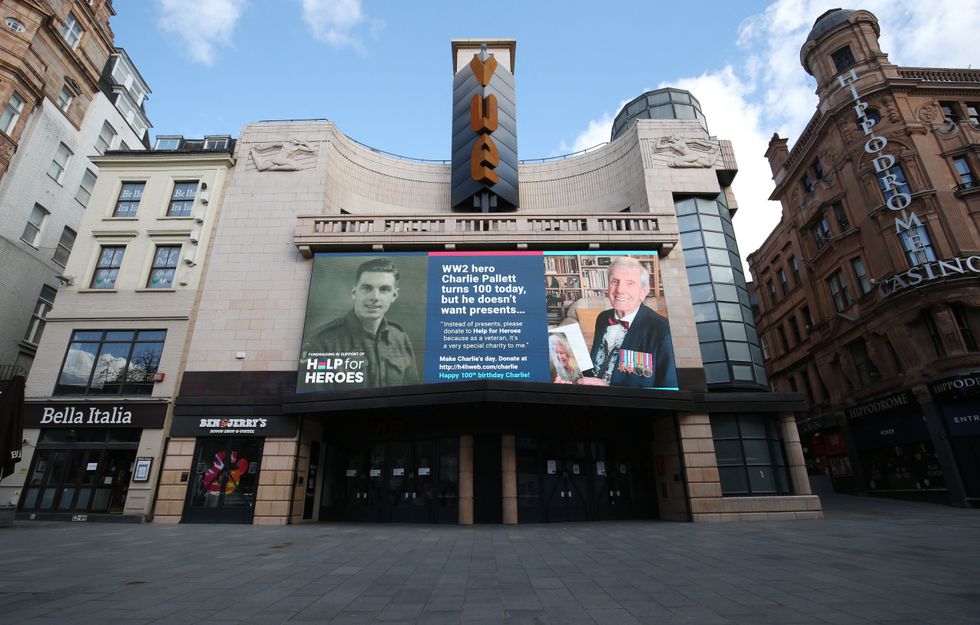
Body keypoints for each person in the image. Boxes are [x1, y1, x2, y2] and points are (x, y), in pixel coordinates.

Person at [305, 258, 419, 389]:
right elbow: (315, 402)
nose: (375, 297)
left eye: (384, 289)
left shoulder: (400, 339)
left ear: (394, 295)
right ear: (354, 292)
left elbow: (411, 395)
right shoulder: (323, 342)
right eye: (367, 288)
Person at [578, 256, 678, 389]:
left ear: (643, 292)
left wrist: (609, 389)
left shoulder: (663, 330)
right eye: (615, 281)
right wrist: (574, 379)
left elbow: (669, 390)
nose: (620, 290)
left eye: (630, 283)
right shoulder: (602, 318)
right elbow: (595, 365)